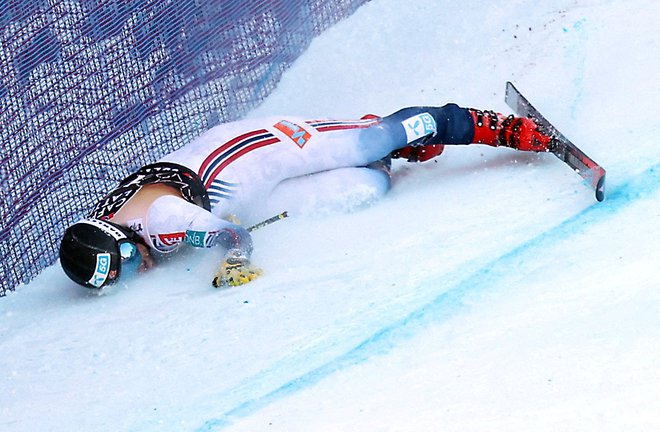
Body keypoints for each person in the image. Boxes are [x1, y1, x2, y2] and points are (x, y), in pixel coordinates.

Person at [59, 104, 552, 289]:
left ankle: (485, 126)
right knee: (369, 184)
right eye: (118, 275)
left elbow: (231, 235)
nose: (133, 267)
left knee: (371, 140)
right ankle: (402, 150)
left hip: (251, 152)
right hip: (244, 191)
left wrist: (233, 263)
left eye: (126, 256)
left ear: (119, 234)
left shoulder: (163, 219)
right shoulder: (101, 227)